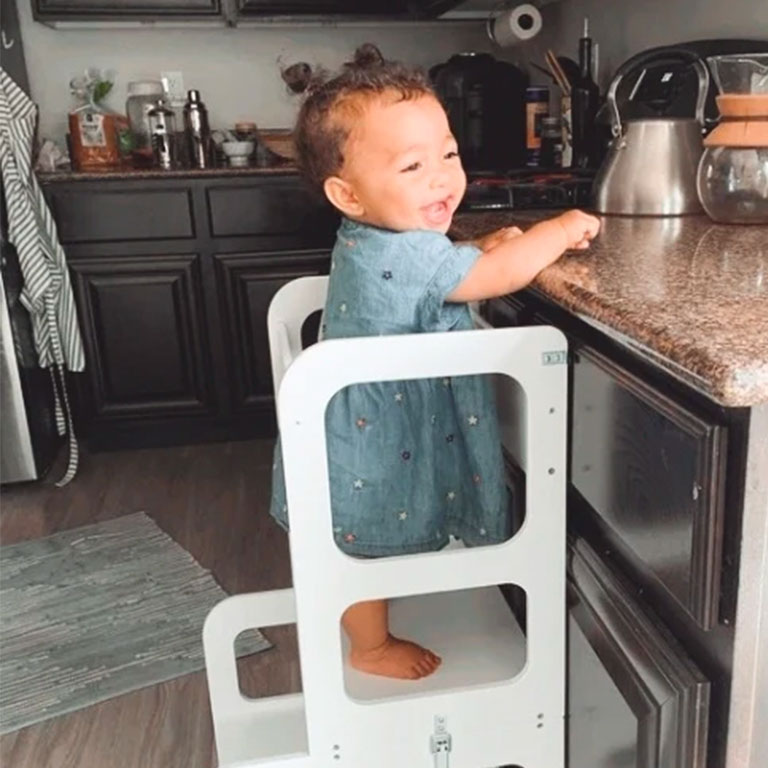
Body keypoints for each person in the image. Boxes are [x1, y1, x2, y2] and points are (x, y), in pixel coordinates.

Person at [270, 45, 600, 682]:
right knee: (358, 546)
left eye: (448, 154)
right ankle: (368, 647)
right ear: (349, 195)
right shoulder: (404, 253)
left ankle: (372, 625)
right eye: (412, 165)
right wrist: (554, 231)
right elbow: (492, 276)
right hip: (377, 439)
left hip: (360, 420)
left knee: (359, 535)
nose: (442, 177)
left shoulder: (377, 238)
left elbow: (437, 272)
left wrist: (474, 247)